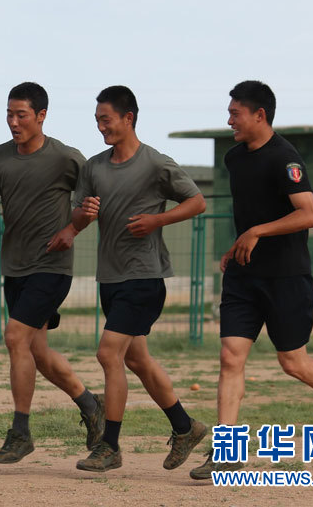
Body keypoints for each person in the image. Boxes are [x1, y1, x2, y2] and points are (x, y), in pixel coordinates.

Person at [190, 81, 313, 478]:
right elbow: (249, 211)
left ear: (259, 115)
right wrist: (240, 242)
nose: (229, 119)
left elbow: (308, 214)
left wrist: (256, 232)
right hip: (244, 277)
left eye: (235, 113)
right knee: (230, 357)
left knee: (293, 362)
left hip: (286, 278)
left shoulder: (285, 158)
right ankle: (227, 452)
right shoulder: (235, 158)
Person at [70, 85, 207, 473]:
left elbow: (197, 201)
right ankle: (185, 427)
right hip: (110, 277)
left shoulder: (155, 163)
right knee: (138, 359)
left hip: (145, 276)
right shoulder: (93, 167)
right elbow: (77, 217)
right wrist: (84, 213)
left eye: (106, 120)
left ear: (128, 118)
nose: (101, 128)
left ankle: (109, 445)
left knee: (108, 353)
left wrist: (158, 220)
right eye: (97, 121)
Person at [0, 82, 104, 464]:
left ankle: (21, 431)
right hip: (15, 266)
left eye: (21, 115)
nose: (13, 122)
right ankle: (91, 404)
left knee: (15, 338)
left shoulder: (66, 158)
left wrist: (73, 229)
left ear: (41, 115)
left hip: (52, 266)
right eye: (9, 114)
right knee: (38, 351)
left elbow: (95, 197)